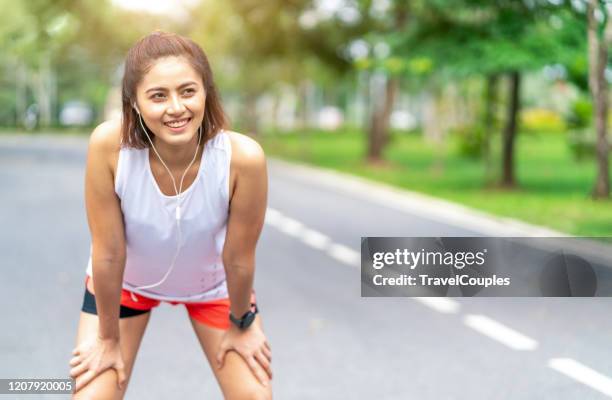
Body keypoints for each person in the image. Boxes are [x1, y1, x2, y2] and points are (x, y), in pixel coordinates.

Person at [68, 31, 272, 399]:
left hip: (212, 290)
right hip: (125, 287)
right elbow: (109, 251)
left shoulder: (243, 158)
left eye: (188, 91)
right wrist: (108, 339)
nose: (176, 108)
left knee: (255, 396)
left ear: (207, 92)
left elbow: (239, 256)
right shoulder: (108, 147)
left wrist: (243, 323)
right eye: (158, 96)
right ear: (135, 103)